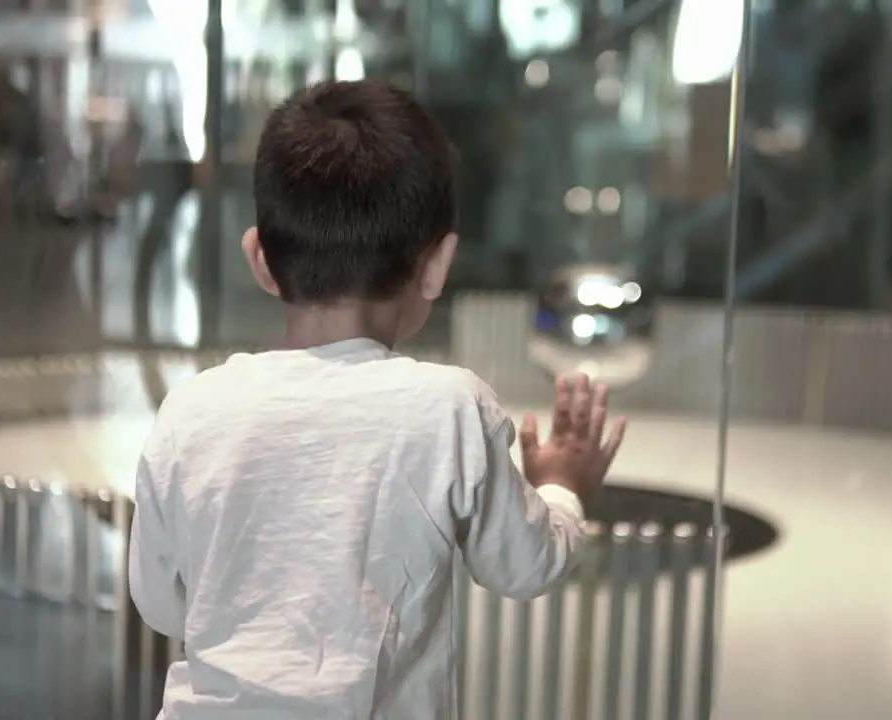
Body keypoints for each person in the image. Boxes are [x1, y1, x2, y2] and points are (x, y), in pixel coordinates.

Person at [128, 79, 627, 719]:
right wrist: (562, 486)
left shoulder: (191, 410)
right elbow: (527, 566)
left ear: (260, 258)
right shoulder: (448, 409)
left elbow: (162, 601)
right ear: (437, 264)